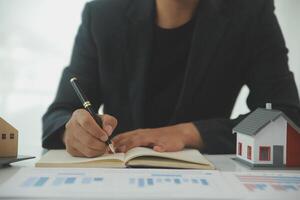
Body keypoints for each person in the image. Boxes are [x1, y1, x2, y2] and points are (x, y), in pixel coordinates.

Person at [42, 0, 300, 157]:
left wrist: (189, 133)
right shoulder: (101, 16)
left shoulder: (251, 14)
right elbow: (59, 114)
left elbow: (285, 114)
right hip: (118, 177)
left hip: (211, 180)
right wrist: (72, 132)